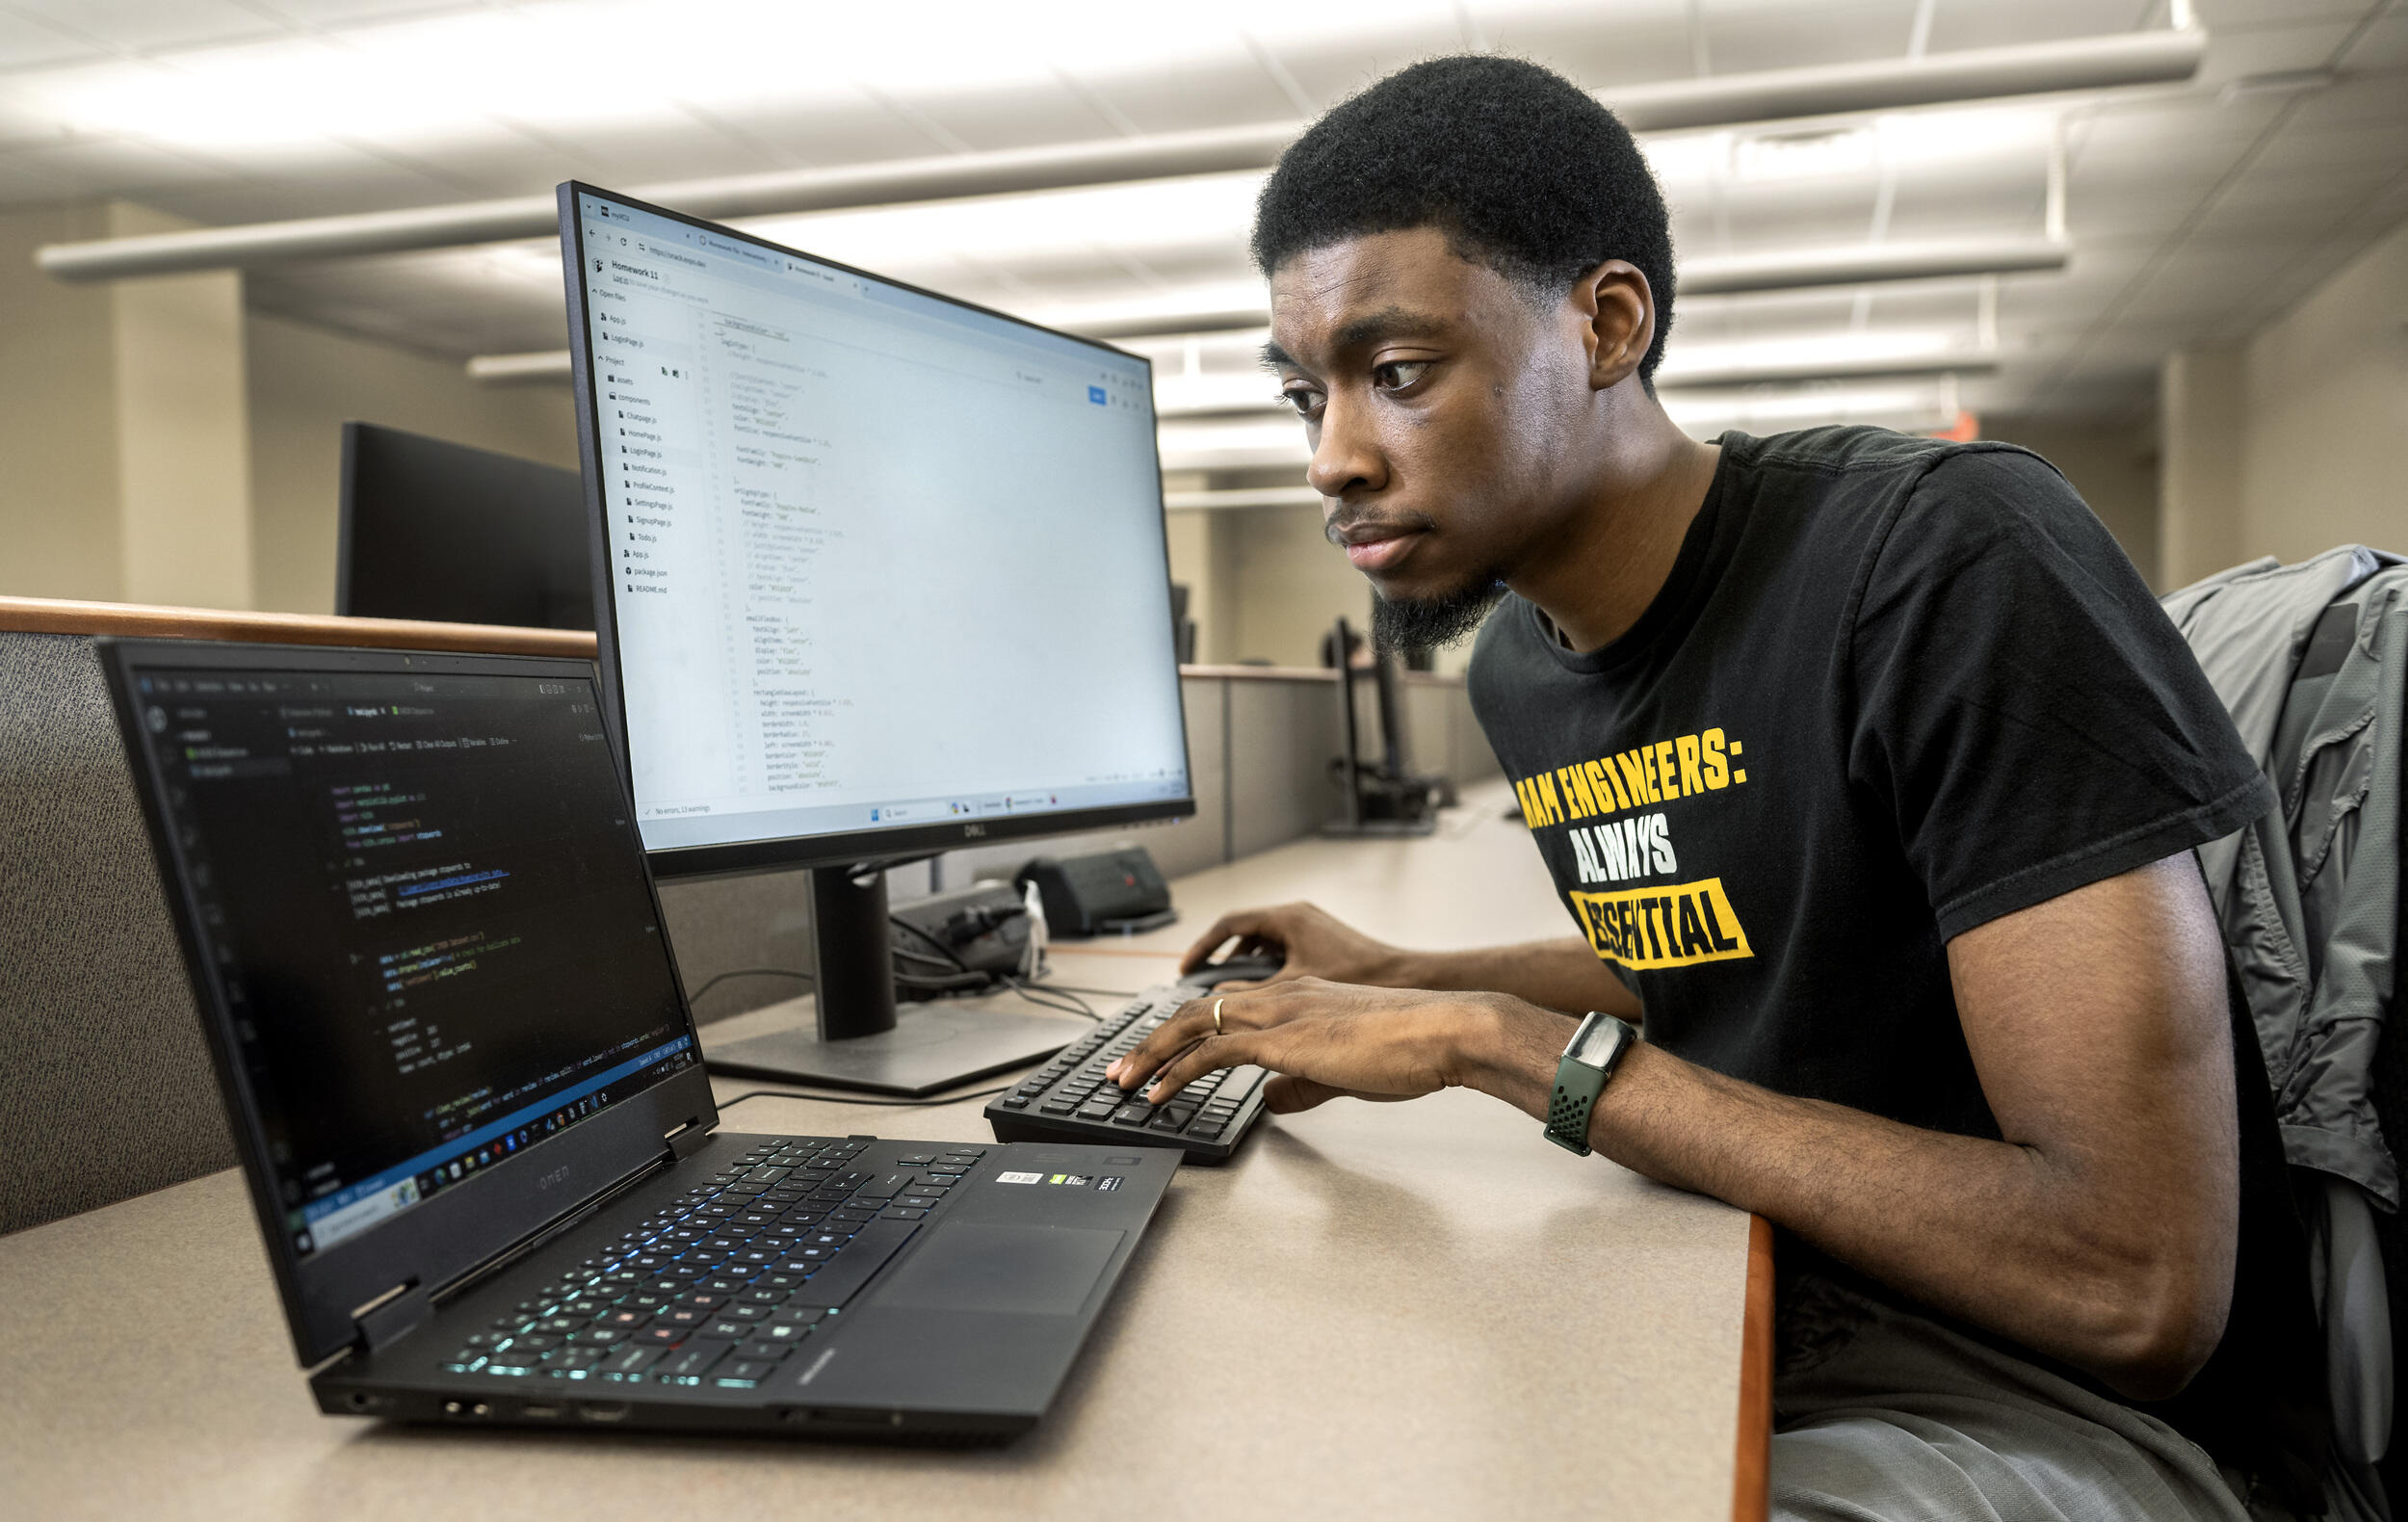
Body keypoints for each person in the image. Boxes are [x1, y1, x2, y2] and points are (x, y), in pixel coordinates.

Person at [1105, 55, 2327, 1522]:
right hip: (1780, 1284)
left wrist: (1500, 1045)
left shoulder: (1940, 564)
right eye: (1310, 393)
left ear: (1608, 324)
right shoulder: (1520, 667)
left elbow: (2131, 1282)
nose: (1332, 459)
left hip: (2055, 1403)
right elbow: (1738, 949)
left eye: (1399, 374)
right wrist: (1409, 974)